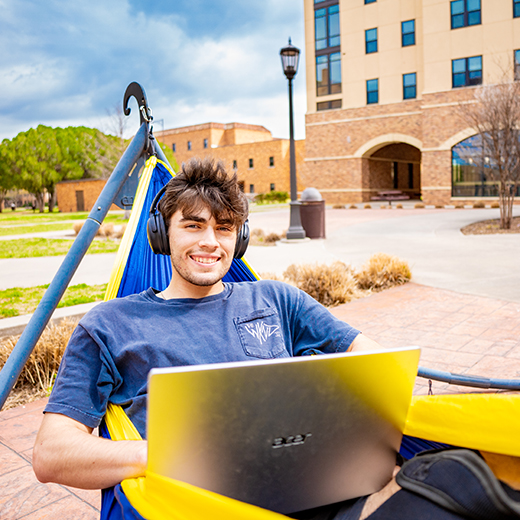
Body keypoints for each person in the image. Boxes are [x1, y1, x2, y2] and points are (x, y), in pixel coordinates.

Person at [33, 157, 382, 516]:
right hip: (195, 504)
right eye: (193, 225)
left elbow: (374, 363)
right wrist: (171, 454)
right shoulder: (110, 325)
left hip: (304, 486)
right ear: (162, 233)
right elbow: (51, 453)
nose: (210, 243)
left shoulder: (278, 299)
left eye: (225, 228)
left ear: (240, 238)